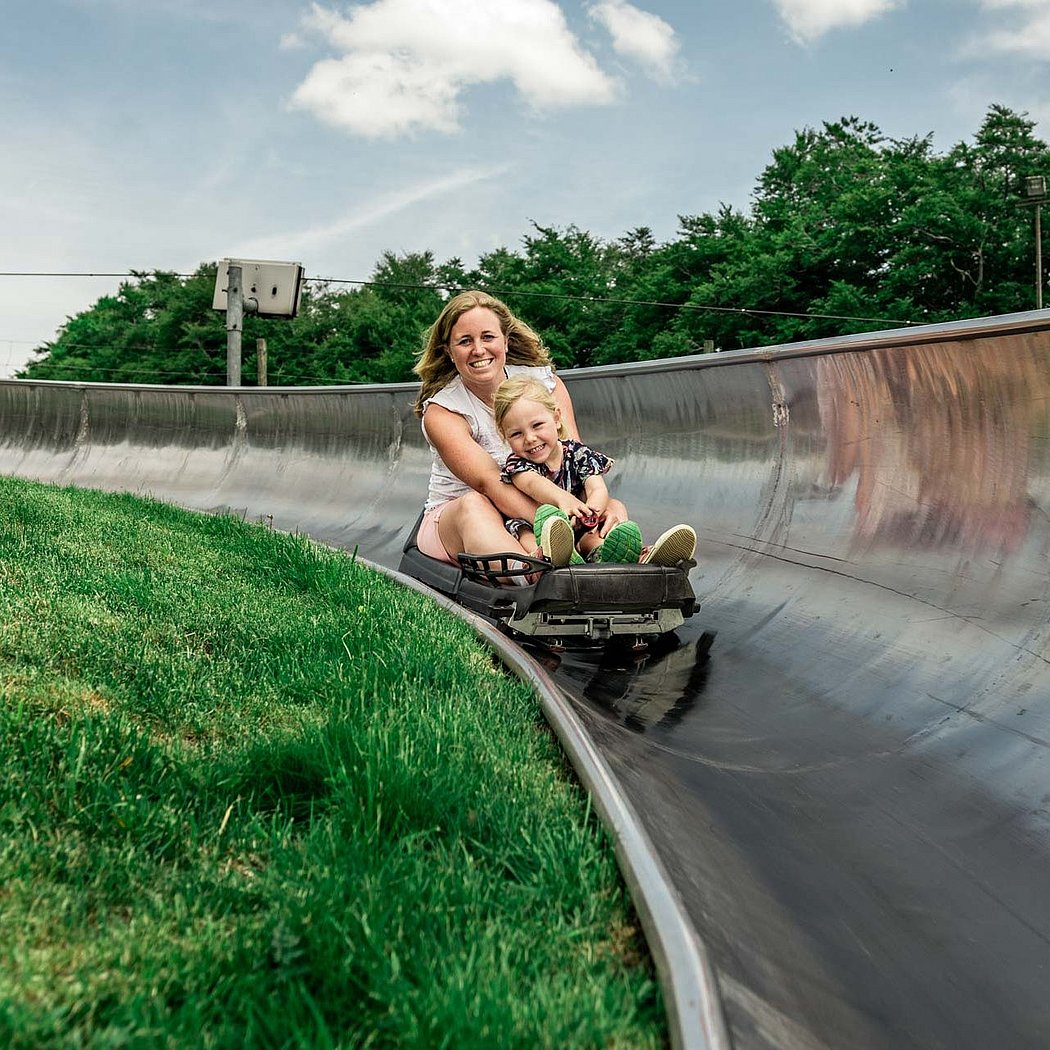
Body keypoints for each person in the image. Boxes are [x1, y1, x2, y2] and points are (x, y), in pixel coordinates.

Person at [493, 375, 696, 568]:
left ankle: (618, 556)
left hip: (582, 523)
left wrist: (591, 513)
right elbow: (532, 484)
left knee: (614, 507)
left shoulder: (578, 453)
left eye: (537, 425)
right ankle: (548, 560)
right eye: (516, 434)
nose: (529, 438)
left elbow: (597, 488)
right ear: (505, 436)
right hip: (542, 528)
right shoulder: (517, 464)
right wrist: (564, 502)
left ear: (556, 418)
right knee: (527, 530)